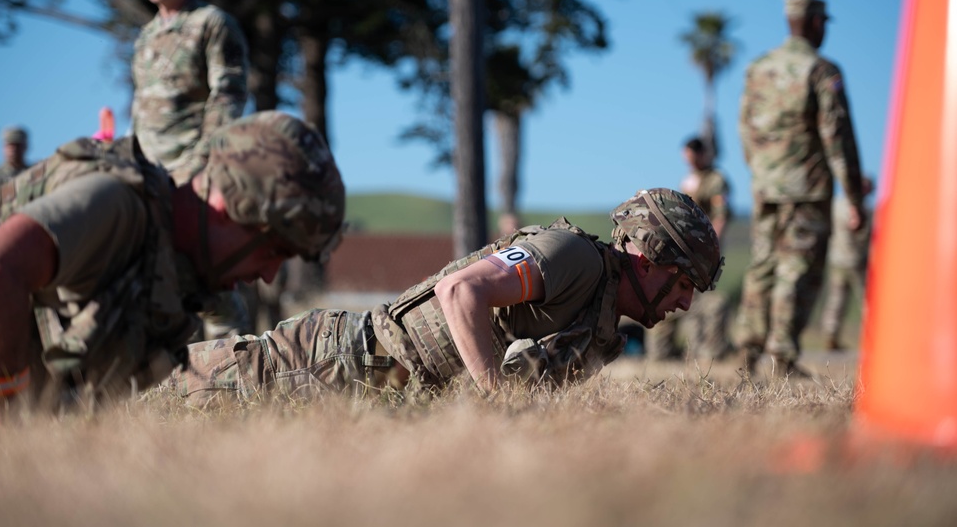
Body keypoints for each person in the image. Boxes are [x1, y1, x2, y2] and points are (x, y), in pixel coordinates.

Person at [0, 111, 345, 426]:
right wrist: (14, 432)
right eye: (273, 249)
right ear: (230, 207)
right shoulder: (117, 203)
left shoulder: (170, 272)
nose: (269, 275)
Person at [165, 188, 723, 405]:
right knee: (161, 396)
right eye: (683, 285)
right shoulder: (571, 258)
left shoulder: (604, 324)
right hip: (337, 361)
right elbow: (461, 290)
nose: (685, 304)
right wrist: (497, 396)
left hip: (385, 395)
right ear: (649, 262)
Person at [734, 0, 865, 378]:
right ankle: (782, 356)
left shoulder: (758, 68)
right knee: (797, 268)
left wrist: (759, 170)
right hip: (806, 187)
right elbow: (838, 138)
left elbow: (745, 126)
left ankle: (747, 347)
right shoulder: (821, 70)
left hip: (765, 184)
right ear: (813, 23)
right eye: (823, 22)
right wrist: (854, 196)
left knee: (762, 265)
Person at [132, 0, 251, 339]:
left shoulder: (211, 24)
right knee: (152, 270)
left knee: (202, 270)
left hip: (192, 168)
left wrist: (203, 157)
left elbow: (229, 93)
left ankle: (235, 360)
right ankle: (173, 370)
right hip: (147, 169)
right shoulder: (147, 35)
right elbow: (143, 103)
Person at [645, 137, 732, 361]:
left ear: (703, 155)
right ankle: (663, 352)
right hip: (683, 248)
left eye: (693, 159)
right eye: (687, 160)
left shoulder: (715, 180)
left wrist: (711, 249)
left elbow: (721, 215)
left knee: (699, 301)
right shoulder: (689, 179)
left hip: (701, 249)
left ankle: (703, 352)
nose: (690, 164)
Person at [818, 176, 874, 351]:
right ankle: (872, 337)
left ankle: (831, 336)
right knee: (869, 301)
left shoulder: (836, 206)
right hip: (857, 261)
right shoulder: (862, 210)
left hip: (837, 259)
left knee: (837, 300)